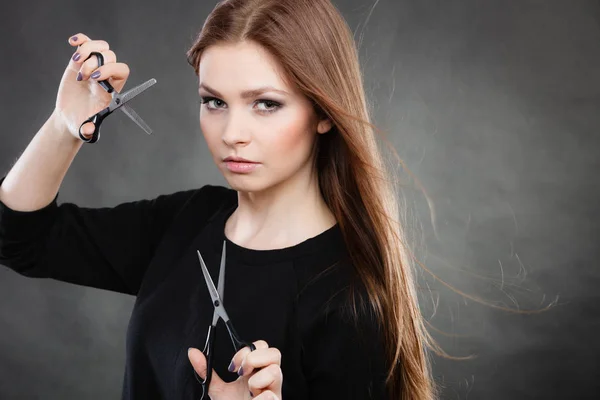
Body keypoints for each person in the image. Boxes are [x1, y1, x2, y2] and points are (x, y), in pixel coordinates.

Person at [0, 0, 439, 399]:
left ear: (323, 112)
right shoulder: (188, 221)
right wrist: (64, 126)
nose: (232, 134)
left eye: (265, 104)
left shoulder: (350, 297)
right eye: (214, 101)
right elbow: (20, 239)